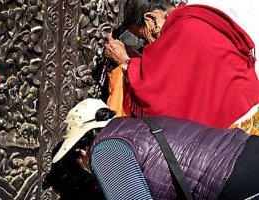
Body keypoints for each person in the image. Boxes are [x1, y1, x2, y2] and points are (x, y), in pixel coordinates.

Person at [50, 98, 259, 200]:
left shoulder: (105, 149)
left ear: (80, 151)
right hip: (248, 151)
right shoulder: (136, 125)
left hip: (234, 181)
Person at [104, 0, 259, 133]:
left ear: (152, 18)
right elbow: (177, 73)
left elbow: (159, 90)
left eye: (143, 36)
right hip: (246, 104)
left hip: (235, 119)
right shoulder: (191, 18)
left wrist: (125, 61)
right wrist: (139, 61)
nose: (147, 44)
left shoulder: (181, 31)